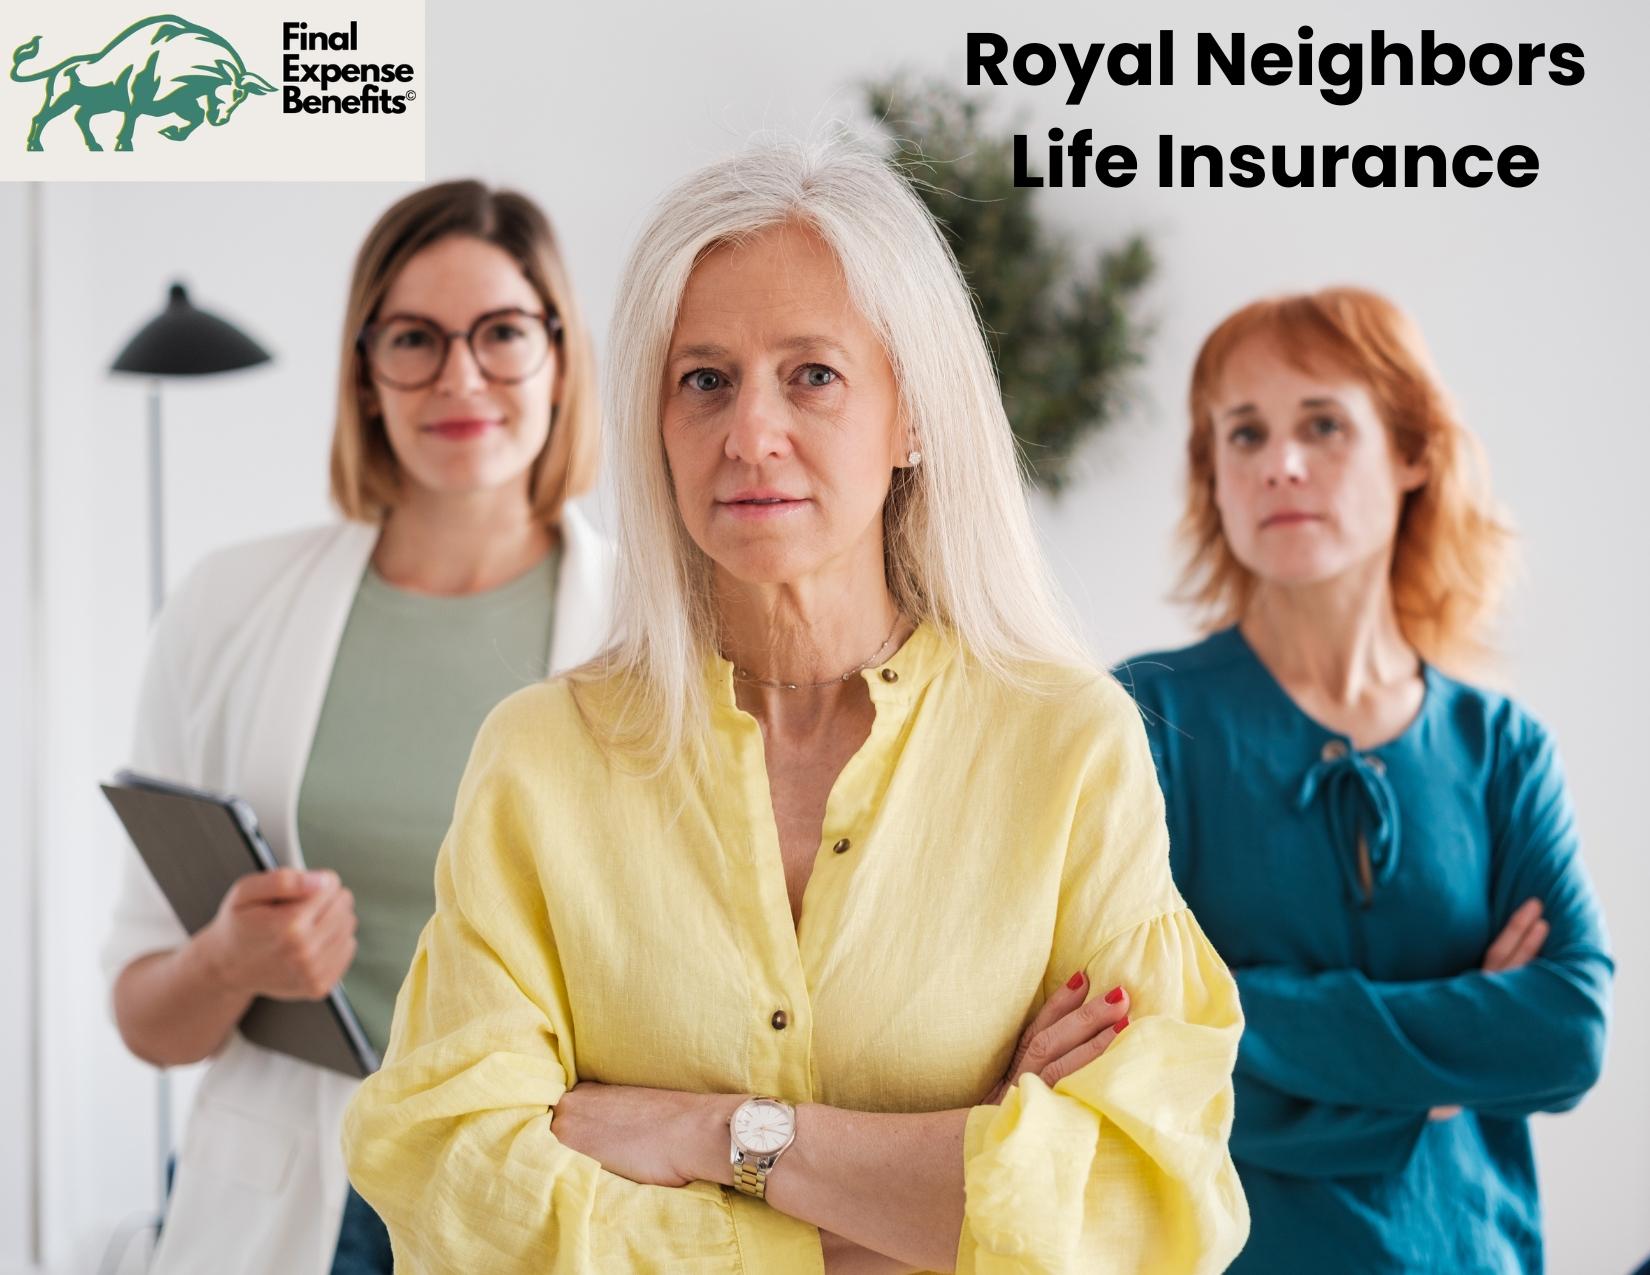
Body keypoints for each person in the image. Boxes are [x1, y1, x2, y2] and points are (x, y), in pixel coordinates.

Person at [341, 135, 1249, 1275]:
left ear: (910, 417)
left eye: (812, 375)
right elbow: (456, 1193)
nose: (749, 434)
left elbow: (1144, 1210)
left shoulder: (1069, 745)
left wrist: (709, 1137)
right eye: (703, 379)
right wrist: (951, 1198)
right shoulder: (538, 760)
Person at [100, 180, 614, 1275]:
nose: (459, 378)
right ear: (364, 372)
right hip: (291, 1196)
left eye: (503, 334)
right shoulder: (226, 608)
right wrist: (231, 962)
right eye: (414, 339)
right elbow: (149, 1018)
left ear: (561, 358)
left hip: (530, 1193)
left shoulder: (659, 636)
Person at [1117, 287, 1612, 1273]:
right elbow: (1143, 1045)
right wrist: (1447, 1072)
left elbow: (1568, 1031)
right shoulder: (1140, 723)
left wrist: (1260, 1023)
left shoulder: (1501, 745)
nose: (1280, 464)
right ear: (1210, 473)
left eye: (1323, 425)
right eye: (1244, 434)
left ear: (1412, 452)